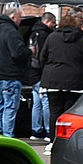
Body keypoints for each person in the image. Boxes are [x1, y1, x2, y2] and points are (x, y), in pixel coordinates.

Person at [39, 14, 83, 156]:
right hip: (75, 80)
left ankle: (53, 141)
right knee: (70, 113)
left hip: (53, 79)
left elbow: (42, 57)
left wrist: (49, 70)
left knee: (54, 112)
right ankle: (68, 143)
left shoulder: (52, 37)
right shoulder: (81, 38)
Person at [0, 3, 31, 137]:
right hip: (11, 74)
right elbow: (18, 53)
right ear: (13, 17)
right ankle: (8, 135)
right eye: (20, 18)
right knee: (10, 106)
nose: (20, 21)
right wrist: (29, 51)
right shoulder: (12, 32)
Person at [26, 12, 56, 141]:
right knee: (45, 101)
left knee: (36, 103)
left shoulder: (33, 33)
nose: (55, 25)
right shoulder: (44, 35)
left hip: (32, 71)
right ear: (47, 21)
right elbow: (43, 55)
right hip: (41, 72)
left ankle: (36, 130)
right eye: (53, 22)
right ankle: (48, 130)